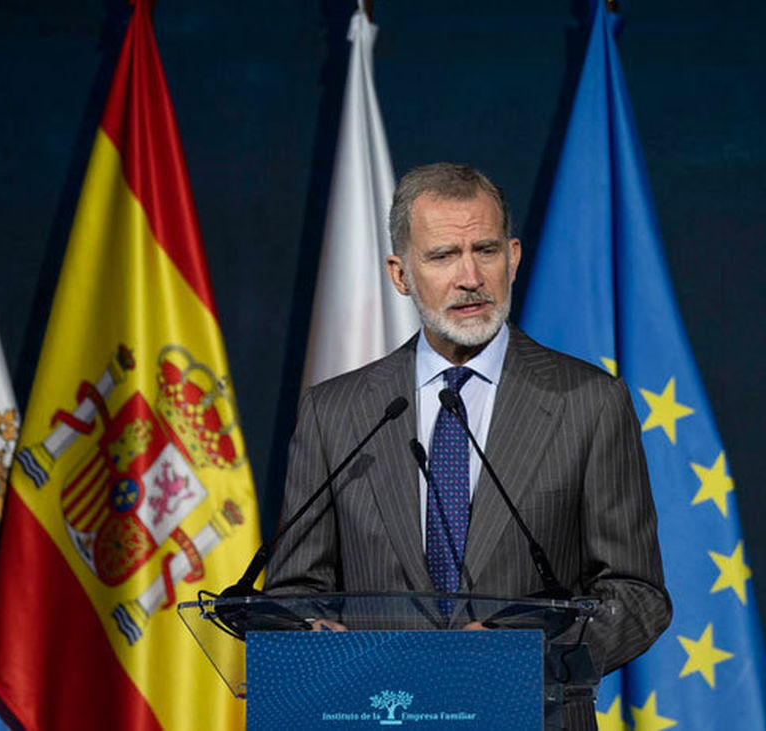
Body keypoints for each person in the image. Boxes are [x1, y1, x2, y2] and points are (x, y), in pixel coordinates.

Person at [265, 163, 671, 729]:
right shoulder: (336, 412)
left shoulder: (588, 402)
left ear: (514, 257)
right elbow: (293, 593)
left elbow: (637, 593)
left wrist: (532, 654)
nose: (470, 277)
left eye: (485, 250)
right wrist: (312, 635)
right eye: (441, 256)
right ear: (400, 273)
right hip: (378, 713)